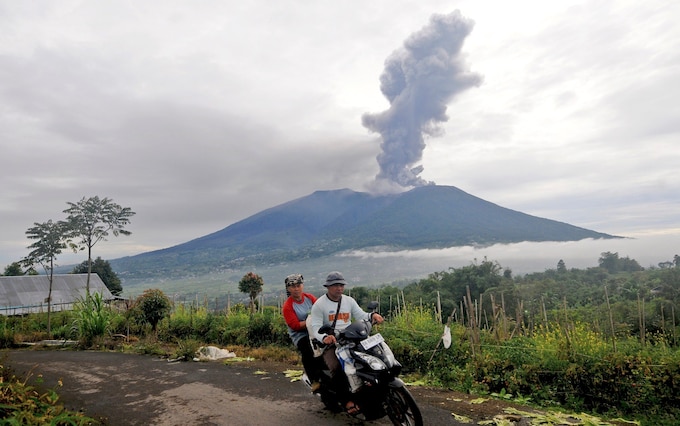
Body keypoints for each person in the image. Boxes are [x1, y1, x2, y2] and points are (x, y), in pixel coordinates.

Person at [309, 271, 384, 415]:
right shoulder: (319, 305)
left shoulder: (348, 301)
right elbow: (316, 327)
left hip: (352, 338)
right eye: (335, 285)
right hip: (332, 344)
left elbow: (361, 315)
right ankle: (346, 400)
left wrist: (372, 315)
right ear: (328, 287)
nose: (339, 288)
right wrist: (325, 337)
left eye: (341, 285)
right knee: (337, 368)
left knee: (373, 358)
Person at [281, 273, 321, 392]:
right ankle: (314, 380)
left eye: (298, 285)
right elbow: (295, 325)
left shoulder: (310, 298)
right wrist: (310, 321)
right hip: (301, 335)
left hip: (316, 330)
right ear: (288, 289)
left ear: (302, 286)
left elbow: (320, 309)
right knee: (308, 350)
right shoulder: (288, 306)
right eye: (293, 286)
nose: (296, 289)